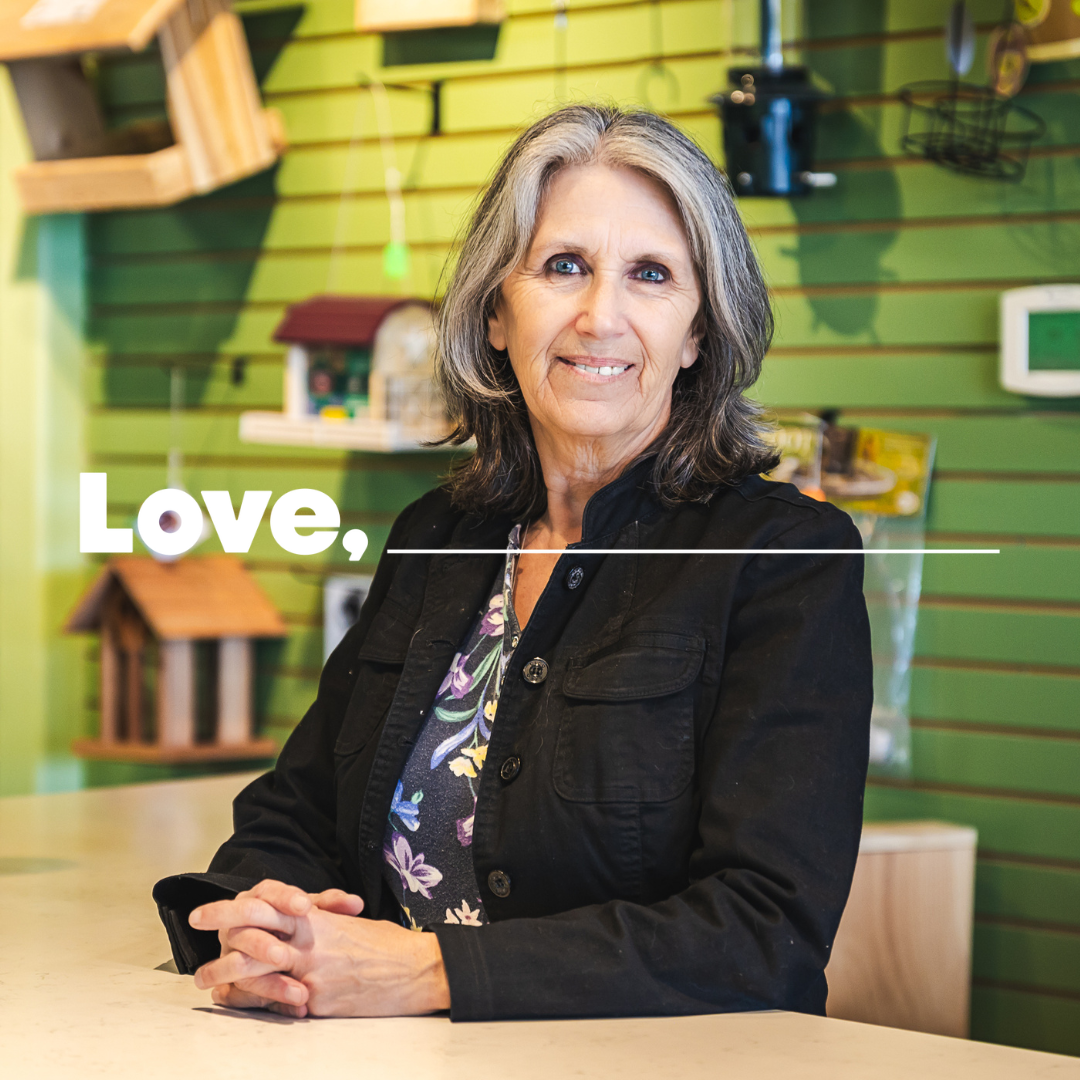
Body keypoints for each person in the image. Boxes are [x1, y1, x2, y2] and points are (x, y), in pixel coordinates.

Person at [154, 103, 873, 1022]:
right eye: (564, 266)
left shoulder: (781, 559)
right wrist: (266, 918)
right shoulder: (437, 535)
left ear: (698, 332)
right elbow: (299, 811)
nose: (598, 315)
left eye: (651, 275)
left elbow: (763, 933)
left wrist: (430, 971)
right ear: (498, 311)